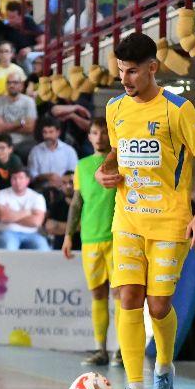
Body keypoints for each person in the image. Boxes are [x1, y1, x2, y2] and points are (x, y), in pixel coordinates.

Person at [95, 32, 195, 389]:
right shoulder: (115, 109)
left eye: (132, 72)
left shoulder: (178, 110)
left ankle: (163, 365)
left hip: (170, 222)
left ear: (152, 67)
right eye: (120, 72)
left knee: (158, 304)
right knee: (128, 298)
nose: (125, 80)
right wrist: (104, 172)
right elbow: (116, 154)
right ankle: (134, 388)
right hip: (127, 217)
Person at [63, 117, 121, 366]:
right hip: (89, 238)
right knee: (98, 295)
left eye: (104, 133)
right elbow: (77, 201)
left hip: (118, 237)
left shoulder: (121, 161)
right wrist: (68, 234)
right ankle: (101, 350)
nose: (100, 138)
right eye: (95, 133)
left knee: (120, 295)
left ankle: (121, 351)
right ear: (89, 137)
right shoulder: (82, 165)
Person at [0, 167, 48, 250]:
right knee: (8, 246)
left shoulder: (37, 197)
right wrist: (27, 213)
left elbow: (36, 222)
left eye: (21, 178)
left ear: (27, 180)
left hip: (32, 234)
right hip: (6, 232)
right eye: (14, 178)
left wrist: (11, 215)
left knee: (42, 248)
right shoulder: (1, 194)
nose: (17, 181)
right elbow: (2, 217)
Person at [0, 73, 36, 159]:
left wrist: (5, 126)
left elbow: (30, 128)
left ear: (21, 85)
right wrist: (20, 123)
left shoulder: (29, 102)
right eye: (9, 83)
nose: (11, 85)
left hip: (25, 142)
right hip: (3, 142)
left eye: (15, 82)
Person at [27, 117, 77, 185]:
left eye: (51, 132)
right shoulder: (35, 151)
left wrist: (61, 180)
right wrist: (47, 176)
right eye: (45, 132)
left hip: (64, 186)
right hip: (42, 187)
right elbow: (32, 176)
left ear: (58, 132)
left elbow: (73, 173)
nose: (48, 136)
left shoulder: (69, 151)